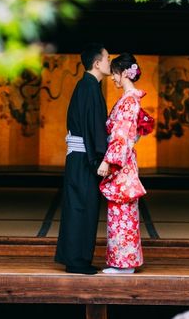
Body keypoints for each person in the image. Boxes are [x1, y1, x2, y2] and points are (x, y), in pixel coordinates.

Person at [55, 43, 111, 274]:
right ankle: (77, 261)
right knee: (81, 206)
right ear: (97, 63)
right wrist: (99, 159)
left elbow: (93, 127)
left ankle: (78, 259)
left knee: (81, 205)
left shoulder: (88, 86)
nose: (110, 62)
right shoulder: (88, 87)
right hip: (84, 158)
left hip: (81, 156)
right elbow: (92, 128)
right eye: (108, 58)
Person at [97, 53, 146, 275]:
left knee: (121, 214)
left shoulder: (128, 100)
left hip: (121, 163)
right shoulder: (130, 99)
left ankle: (124, 264)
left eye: (115, 74)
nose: (113, 78)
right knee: (122, 214)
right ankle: (124, 262)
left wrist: (109, 161)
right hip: (125, 161)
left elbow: (122, 135)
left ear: (124, 73)